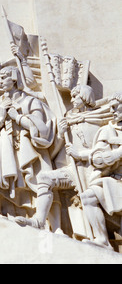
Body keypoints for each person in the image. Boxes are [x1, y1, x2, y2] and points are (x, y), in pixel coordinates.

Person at [14, 85, 111, 235]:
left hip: (93, 170)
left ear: (85, 97)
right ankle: (39, 220)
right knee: (45, 178)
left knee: (90, 200)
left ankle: (101, 238)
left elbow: (104, 150)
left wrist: (80, 154)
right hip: (73, 170)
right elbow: (56, 150)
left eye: (75, 96)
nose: (71, 100)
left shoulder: (99, 120)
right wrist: (61, 134)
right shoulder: (69, 119)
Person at [0, 66, 57, 213]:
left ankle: (56, 228)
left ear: (14, 78)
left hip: (33, 151)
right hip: (8, 152)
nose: (1, 81)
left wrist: (17, 117)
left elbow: (40, 128)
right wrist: (0, 119)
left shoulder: (31, 102)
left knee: (44, 186)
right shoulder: (1, 106)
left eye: (4, 77)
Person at [65, 92, 122, 250]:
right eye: (110, 108)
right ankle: (102, 239)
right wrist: (81, 155)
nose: (112, 111)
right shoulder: (107, 131)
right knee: (88, 197)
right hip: (114, 180)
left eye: (115, 107)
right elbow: (98, 157)